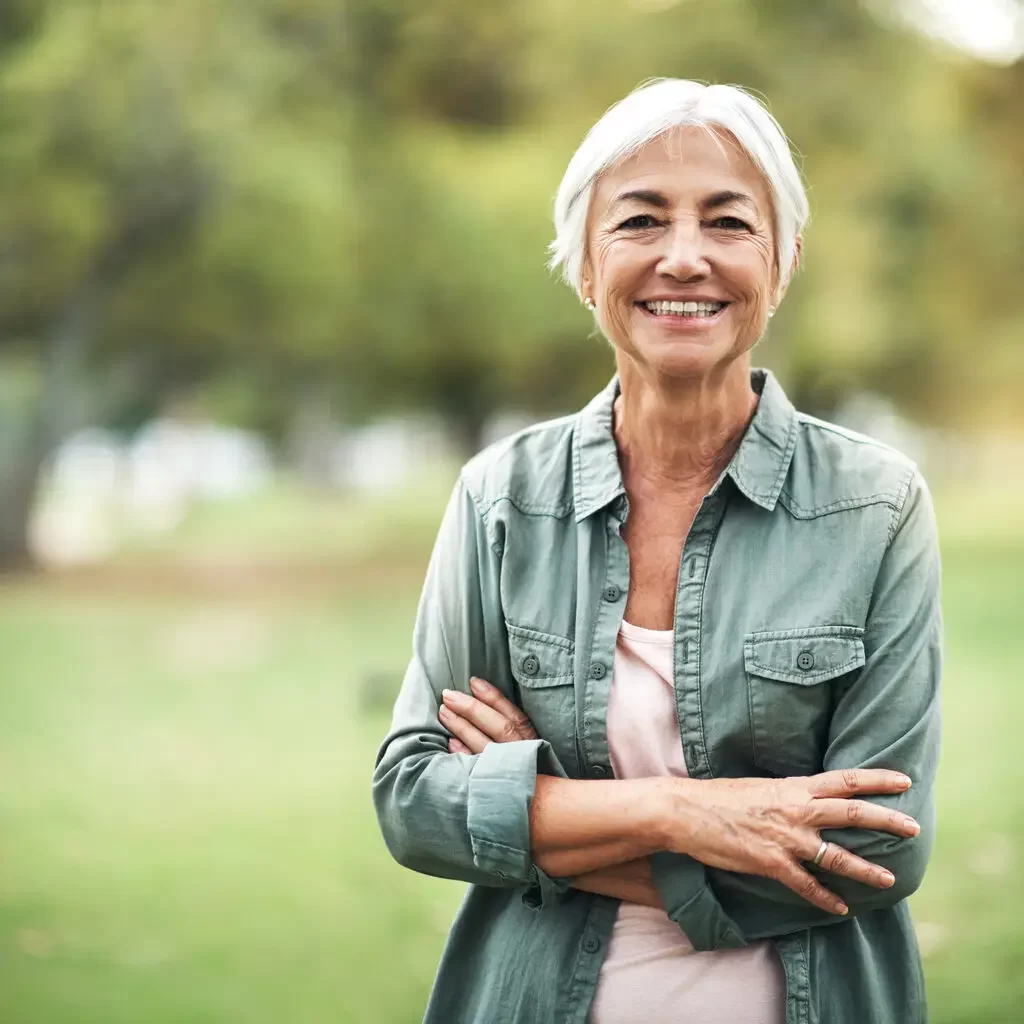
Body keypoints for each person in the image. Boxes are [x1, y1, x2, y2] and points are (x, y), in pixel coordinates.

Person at [372, 78, 941, 1024]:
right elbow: (417, 799)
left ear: (784, 259)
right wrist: (689, 813)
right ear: (586, 266)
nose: (685, 258)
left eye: (728, 223)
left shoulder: (876, 506)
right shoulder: (501, 498)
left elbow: (878, 855)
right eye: (640, 222)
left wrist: (543, 814)